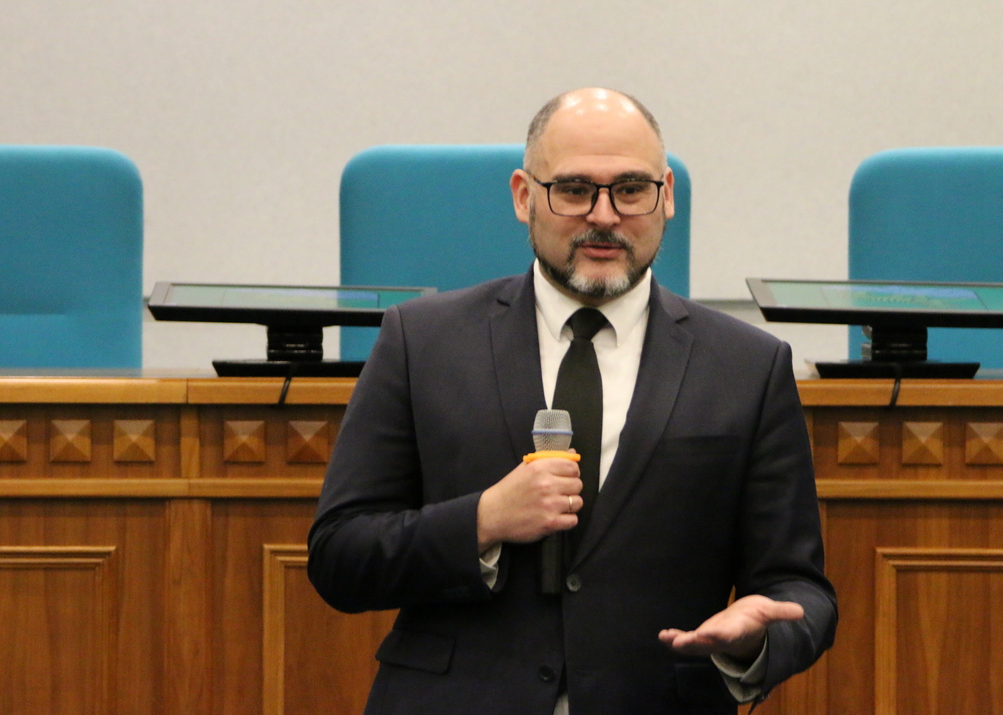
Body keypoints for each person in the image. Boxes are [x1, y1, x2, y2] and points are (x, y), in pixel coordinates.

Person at [308, 87, 837, 715]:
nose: (604, 215)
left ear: (667, 196)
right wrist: (482, 520)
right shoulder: (421, 341)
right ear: (524, 196)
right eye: (575, 189)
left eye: (631, 189)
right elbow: (340, 554)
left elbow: (800, 587)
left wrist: (761, 637)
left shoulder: (748, 366)